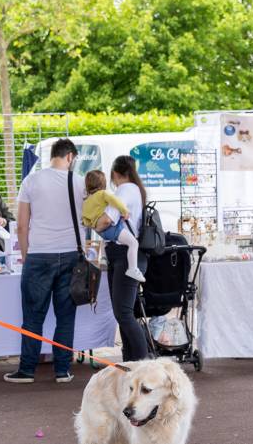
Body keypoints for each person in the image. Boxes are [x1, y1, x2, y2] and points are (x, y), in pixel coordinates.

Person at [4, 139, 86, 384]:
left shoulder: (31, 180)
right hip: (72, 254)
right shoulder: (79, 182)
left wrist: (27, 255)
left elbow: (21, 225)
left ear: (53, 156)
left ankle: (27, 370)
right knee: (65, 316)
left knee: (32, 315)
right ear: (70, 157)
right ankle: (63, 370)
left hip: (39, 254)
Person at [106, 155, 151, 362]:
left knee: (123, 313)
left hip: (123, 254)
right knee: (125, 313)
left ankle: (143, 363)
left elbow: (109, 219)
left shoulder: (124, 190)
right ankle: (131, 362)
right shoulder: (137, 189)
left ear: (115, 173)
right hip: (130, 255)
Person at [82, 170, 145, 282]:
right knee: (133, 243)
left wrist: (93, 225)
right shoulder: (103, 194)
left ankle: (105, 258)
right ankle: (133, 269)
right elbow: (115, 201)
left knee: (108, 243)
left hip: (102, 232)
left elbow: (85, 220)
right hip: (112, 228)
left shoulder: (86, 201)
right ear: (103, 183)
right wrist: (124, 211)